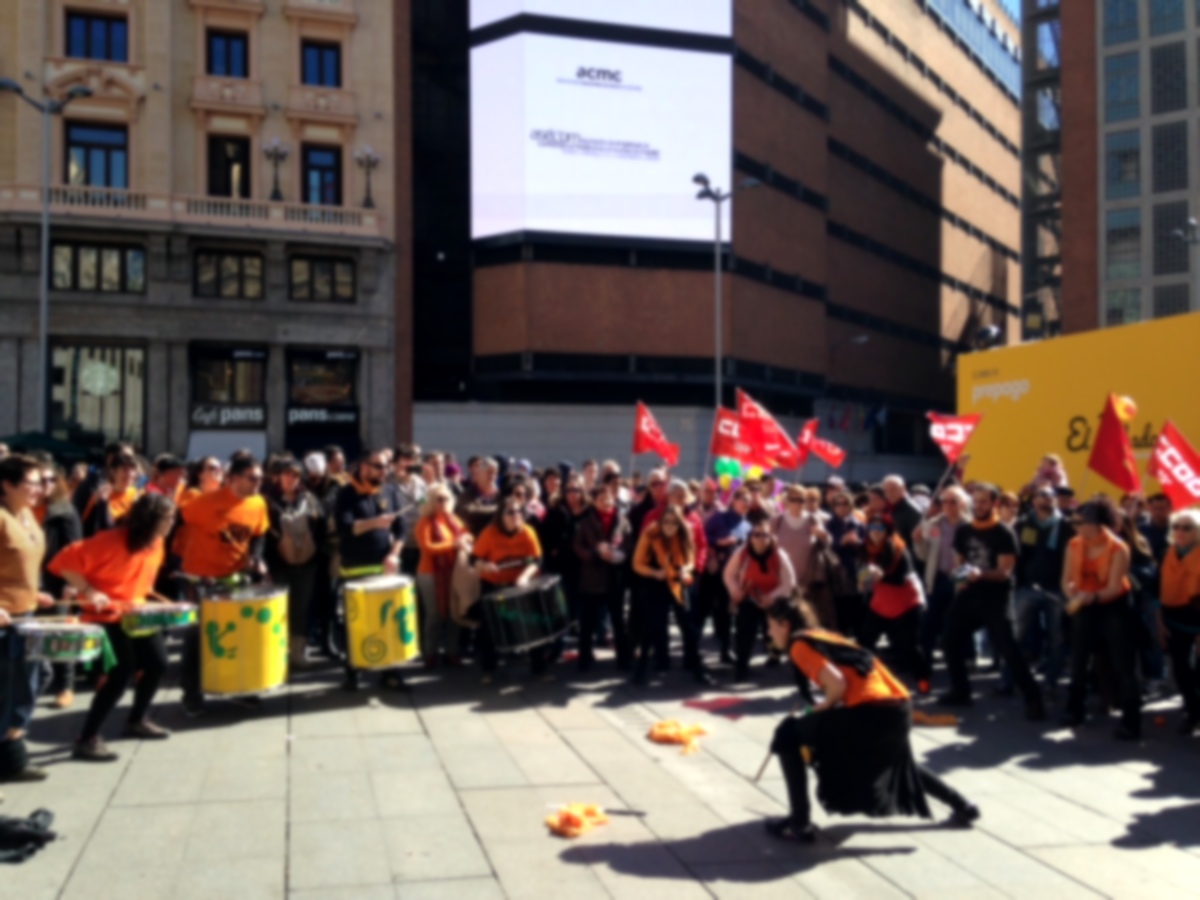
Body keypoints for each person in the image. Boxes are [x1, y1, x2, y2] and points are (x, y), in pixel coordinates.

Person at [763, 597, 979, 843]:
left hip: (871, 711)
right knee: (896, 762)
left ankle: (799, 823)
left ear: (784, 624)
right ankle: (964, 805)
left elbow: (837, 684)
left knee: (787, 735)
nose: (769, 632)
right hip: (898, 707)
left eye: (770, 625)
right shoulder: (823, 636)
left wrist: (824, 706)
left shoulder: (799, 645)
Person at [49, 494, 176, 761]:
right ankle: (87, 739)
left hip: (134, 615)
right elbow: (63, 560)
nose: (172, 522)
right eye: (168, 517)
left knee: (158, 663)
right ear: (150, 520)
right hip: (103, 617)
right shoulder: (108, 541)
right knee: (121, 674)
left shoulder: (157, 542)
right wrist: (89, 590)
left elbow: (142, 582)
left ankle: (137, 720)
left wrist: (159, 603)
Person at [939, 484, 1046, 720]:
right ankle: (961, 691)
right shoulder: (964, 530)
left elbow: (1004, 573)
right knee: (949, 640)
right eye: (976, 502)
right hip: (969, 596)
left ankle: (1034, 700)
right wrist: (959, 577)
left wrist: (980, 574)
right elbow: (958, 562)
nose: (979, 506)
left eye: (984, 502)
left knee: (1009, 649)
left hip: (996, 598)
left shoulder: (1004, 533)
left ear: (994, 504)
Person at [177, 454, 271, 715]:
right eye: (253, 478)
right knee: (197, 639)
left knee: (238, 635)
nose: (258, 483)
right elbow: (176, 522)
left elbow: (259, 535)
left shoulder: (258, 503)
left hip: (235, 577)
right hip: (201, 577)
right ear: (234, 479)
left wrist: (256, 557)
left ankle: (238, 687)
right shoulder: (204, 503)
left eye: (261, 478)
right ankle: (191, 693)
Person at [1060, 498, 1140, 740]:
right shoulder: (1073, 544)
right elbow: (1065, 580)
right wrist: (1072, 595)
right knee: (1079, 659)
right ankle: (1075, 710)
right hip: (1085, 603)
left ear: (1096, 523)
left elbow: (1115, 587)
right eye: (1073, 522)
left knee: (1122, 663)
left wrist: (1091, 597)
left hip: (1114, 605)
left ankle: (1131, 721)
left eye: (1079, 522)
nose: (1074, 526)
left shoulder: (1118, 548)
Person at [0, 455, 56, 787]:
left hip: (27, 614)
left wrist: (38, 593)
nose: (39, 489)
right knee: (10, 690)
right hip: (6, 621)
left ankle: (10, 756)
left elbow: (25, 566)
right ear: (6, 486)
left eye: (41, 483)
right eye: (31, 483)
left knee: (32, 682)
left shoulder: (26, 516)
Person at [335, 449, 407, 691]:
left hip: (385, 570)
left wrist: (394, 554)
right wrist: (375, 523)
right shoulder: (347, 493)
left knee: (387, 623)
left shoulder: (390, 491)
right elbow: (344, 528)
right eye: (378, 466)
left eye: (386, 466)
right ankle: (353, 672)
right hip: (355, 572)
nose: (384, 471)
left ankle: (391, 673)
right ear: (363, 467)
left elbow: (402, 529)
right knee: (355, 625)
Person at [471, 498, 546, 684]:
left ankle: (539, 669)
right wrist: (485, 566)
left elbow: (536, 560)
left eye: (519, 511)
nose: (515, 516)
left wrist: (525, 577)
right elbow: (474, 560)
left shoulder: (527, 532)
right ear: (500, 516)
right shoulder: (489, 533)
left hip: (520, 585)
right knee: (489, 629)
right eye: (510, 512)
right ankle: (488, 670)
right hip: (493, 585)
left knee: (533, 624)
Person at [1012, 486, 1073, 696]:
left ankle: (1051, 682)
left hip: (1056, 590)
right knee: (1015, 636)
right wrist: (1018, 584)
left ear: (1056, 500)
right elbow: (1018, 556)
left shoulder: (1067, 525)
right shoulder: (1023, 524)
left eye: (1049, 496)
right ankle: (1010, 680)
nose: (1045, 500)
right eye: (1041, 495)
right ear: (1033, 501)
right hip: (1027, 588)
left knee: (1056, 639)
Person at [265, 459, 326, 671]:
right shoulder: (267, 500)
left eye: (296, 475)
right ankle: (277, 651)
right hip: (277, 562)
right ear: (279, 477)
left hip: (306, 561)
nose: (291, 479)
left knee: (301, 607)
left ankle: (297, 653)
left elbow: (322, 527)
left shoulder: (309, 499)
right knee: (279, 608)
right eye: (287, 474)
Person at [858, 515, 930, 691]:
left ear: (887, 531)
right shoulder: (865, 547)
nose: (875, 533)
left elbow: (900, 578)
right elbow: (863, 572)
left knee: (909, 646)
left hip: (905, 602)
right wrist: (862, 580)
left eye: (880, 529)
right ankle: (860, 678)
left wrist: (881, 576)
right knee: (864, 641)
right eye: (872, 529)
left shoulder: (899, 549)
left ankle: (923, 680)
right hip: (881, 602)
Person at [724, 509, 797, 683]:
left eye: (765, 535)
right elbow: (728, 574)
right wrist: (735, 590)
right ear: (750, 536)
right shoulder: (742, 552)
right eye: (756, 535)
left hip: (773, 600)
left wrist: (772, 597)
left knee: (773, 633)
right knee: (745, 634)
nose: (760, 539)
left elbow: (790, 582)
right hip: (749, 597)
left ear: (771, 536)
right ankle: (741, 667)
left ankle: (775, 657)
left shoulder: (779, 554)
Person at [631, 504, 698, 686]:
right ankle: (640, 672)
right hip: (655, 582)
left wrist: (687, 569)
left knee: (688, 625)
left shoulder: (685, 533)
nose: (670, 526)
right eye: (666, 522)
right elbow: (636, 563)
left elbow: (691, 557)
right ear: (661, 521)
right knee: (651, 626)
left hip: (677, 580)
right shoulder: (651, 533)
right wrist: (653, 573)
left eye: (674, 523)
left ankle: (696, 668)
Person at [38, 464, 83, 709]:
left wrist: (70, 583)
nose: (45, 485)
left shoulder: (63, 510)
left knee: (60, 632)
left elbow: (74, 548)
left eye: (50, 479)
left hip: (55, 581)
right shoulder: (19, 509)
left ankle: (66, 685)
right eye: (40, 480)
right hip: (27, 582)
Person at [574, 486, 631, 672]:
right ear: (594, 500)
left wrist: (618, 554)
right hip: (592, 578)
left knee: (618, 621)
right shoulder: (585, 521)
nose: (606, 501)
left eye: (608, 497)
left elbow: (629, 542)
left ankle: (623, 658)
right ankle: (585, 658)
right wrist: (595, 554)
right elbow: (577, 546)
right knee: (587, 622)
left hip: (615, 578)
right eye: (601, 498)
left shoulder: (622, 520)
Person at [413, 483, 469, 667]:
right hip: (429, 573)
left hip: (454, 571)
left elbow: (467, 536)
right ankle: (430, 653)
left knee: (455, 613)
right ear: (431, 501)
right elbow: (428, 547)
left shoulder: (453, 519)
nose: (444, 502)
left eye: (447, 498)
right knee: (434, 615)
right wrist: (454, 544)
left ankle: (452, 651)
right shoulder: (425, 522)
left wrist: (464, 540)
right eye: (439, 499)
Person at [914, 486, 971, 663]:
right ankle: (925, 657)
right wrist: (918, 542)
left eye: (952, 501)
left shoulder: (971, 526)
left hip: (962, 578)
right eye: (943, 501)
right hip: (938, 578)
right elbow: (924, 555)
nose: (947, 505)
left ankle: (967, 656)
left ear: (963, 504)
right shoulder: (933, 524)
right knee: (930, 620)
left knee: (961, 620)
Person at [1158, 508, 1200, 735]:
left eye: (1187, 528)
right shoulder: (1169, 553)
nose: (1180, 532)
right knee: (1180, 668)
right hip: (1173, 617)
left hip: (1196, 616)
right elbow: (1159, 589)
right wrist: (1159, 620)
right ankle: (1192, 713)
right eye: (1176, 527)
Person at [699, 488, 751, 664]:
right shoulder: (719, 517)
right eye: (743, 499)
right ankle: (694, 650)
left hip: (737, 574)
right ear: (734, 500)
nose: (745, 503)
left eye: (748, 501)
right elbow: (702, 536)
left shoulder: (747, 525)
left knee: (730, 613)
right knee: (708, 611)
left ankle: (726, 650)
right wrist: (718, 542)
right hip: (716, 570)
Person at [825, 490, 866, 637]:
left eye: (845, 504)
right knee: (840, 616)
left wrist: (858, 543)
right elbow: (824, 550)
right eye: (838, 504)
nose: (842, 507)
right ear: (833, 506)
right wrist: (840, 543)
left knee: (859, 614)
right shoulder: (829, 525)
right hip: (837, 575)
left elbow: (867, 548)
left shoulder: (859, 525)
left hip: (857, 573)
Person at [80, 449, 142, 537]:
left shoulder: (140, 495)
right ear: (113, 471)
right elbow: (86, 526)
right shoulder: (101, 495)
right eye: (124, 469)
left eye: (133, 470)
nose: (129, 474)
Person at [390, 445, 428, 576]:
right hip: (397, 543)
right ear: (394, 464)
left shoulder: (420, 482)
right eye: (403, 462)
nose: (408, 465)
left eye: (410, 461)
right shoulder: (387, 483)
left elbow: (424, 503)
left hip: (418, 541)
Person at [460, 457, 501, 537]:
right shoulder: (469, 494)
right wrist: (499, 510)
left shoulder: (500, 494)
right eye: (489, 472)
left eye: (495, 473)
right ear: (479, 473)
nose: (492, 476)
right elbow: (469, 512)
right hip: (474, 537)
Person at [882, 475, 922, 553]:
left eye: (893, 490)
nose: (889, 494)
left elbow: (916, 542)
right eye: (886, 491)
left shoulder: (912, 511)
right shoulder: (888, 506)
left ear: (903, 489)